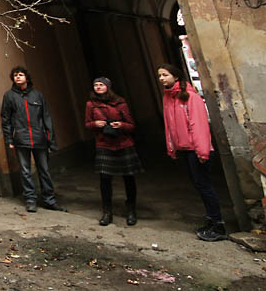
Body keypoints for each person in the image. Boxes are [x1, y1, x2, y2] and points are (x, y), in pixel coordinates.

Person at [157, 62, 226, 241]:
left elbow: (198, 125)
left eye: (165, 75)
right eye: (160, 75)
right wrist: (171, 147)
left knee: (205, 186)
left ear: (176, 76)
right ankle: (210, 221)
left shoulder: (191, 97)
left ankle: (218, 225)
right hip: (183, 150)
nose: (161, 78)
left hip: (196, 150)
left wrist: (202, 151)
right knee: (199, 185)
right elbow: (169, 125)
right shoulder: (168, 98)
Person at [0, 65, 66, 212]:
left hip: (39, 139)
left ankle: (49, 199)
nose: (18, 77)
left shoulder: (37, 95)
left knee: (44, 170)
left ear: (27, 77)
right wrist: (9, 139)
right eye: (15, 75)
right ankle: (30, 200)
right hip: (21, 139)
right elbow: (5, 119)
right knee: (25, 171)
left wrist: (51, 140)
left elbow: (46, 117)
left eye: (20, 74)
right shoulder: (9, 96)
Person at [85, 77, 143, 226]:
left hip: (123, 143)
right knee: (105, 179)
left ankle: (131, 209)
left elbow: (131, 125)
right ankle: (107, 211)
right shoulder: (91, 104)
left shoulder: (120, 103)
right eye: (96, 85)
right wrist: (95, 123)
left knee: (129, 178)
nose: (98, 87)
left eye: (101, 85)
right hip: (104, 144)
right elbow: (87, 124)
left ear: (108, 87)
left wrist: (121, 125)